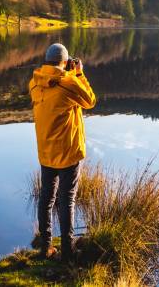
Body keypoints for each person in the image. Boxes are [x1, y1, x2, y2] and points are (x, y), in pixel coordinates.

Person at [29, 43, 96, 262]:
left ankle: (45, 246)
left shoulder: (35, 83)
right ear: (65, 62)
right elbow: (90, 100)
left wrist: (68, 71)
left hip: (46, 151)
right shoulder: (68, 83)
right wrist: (79, 73)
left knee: (46, 198)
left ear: (46, 60)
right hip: (67, 153)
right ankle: (67, 251)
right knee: (67, 200)